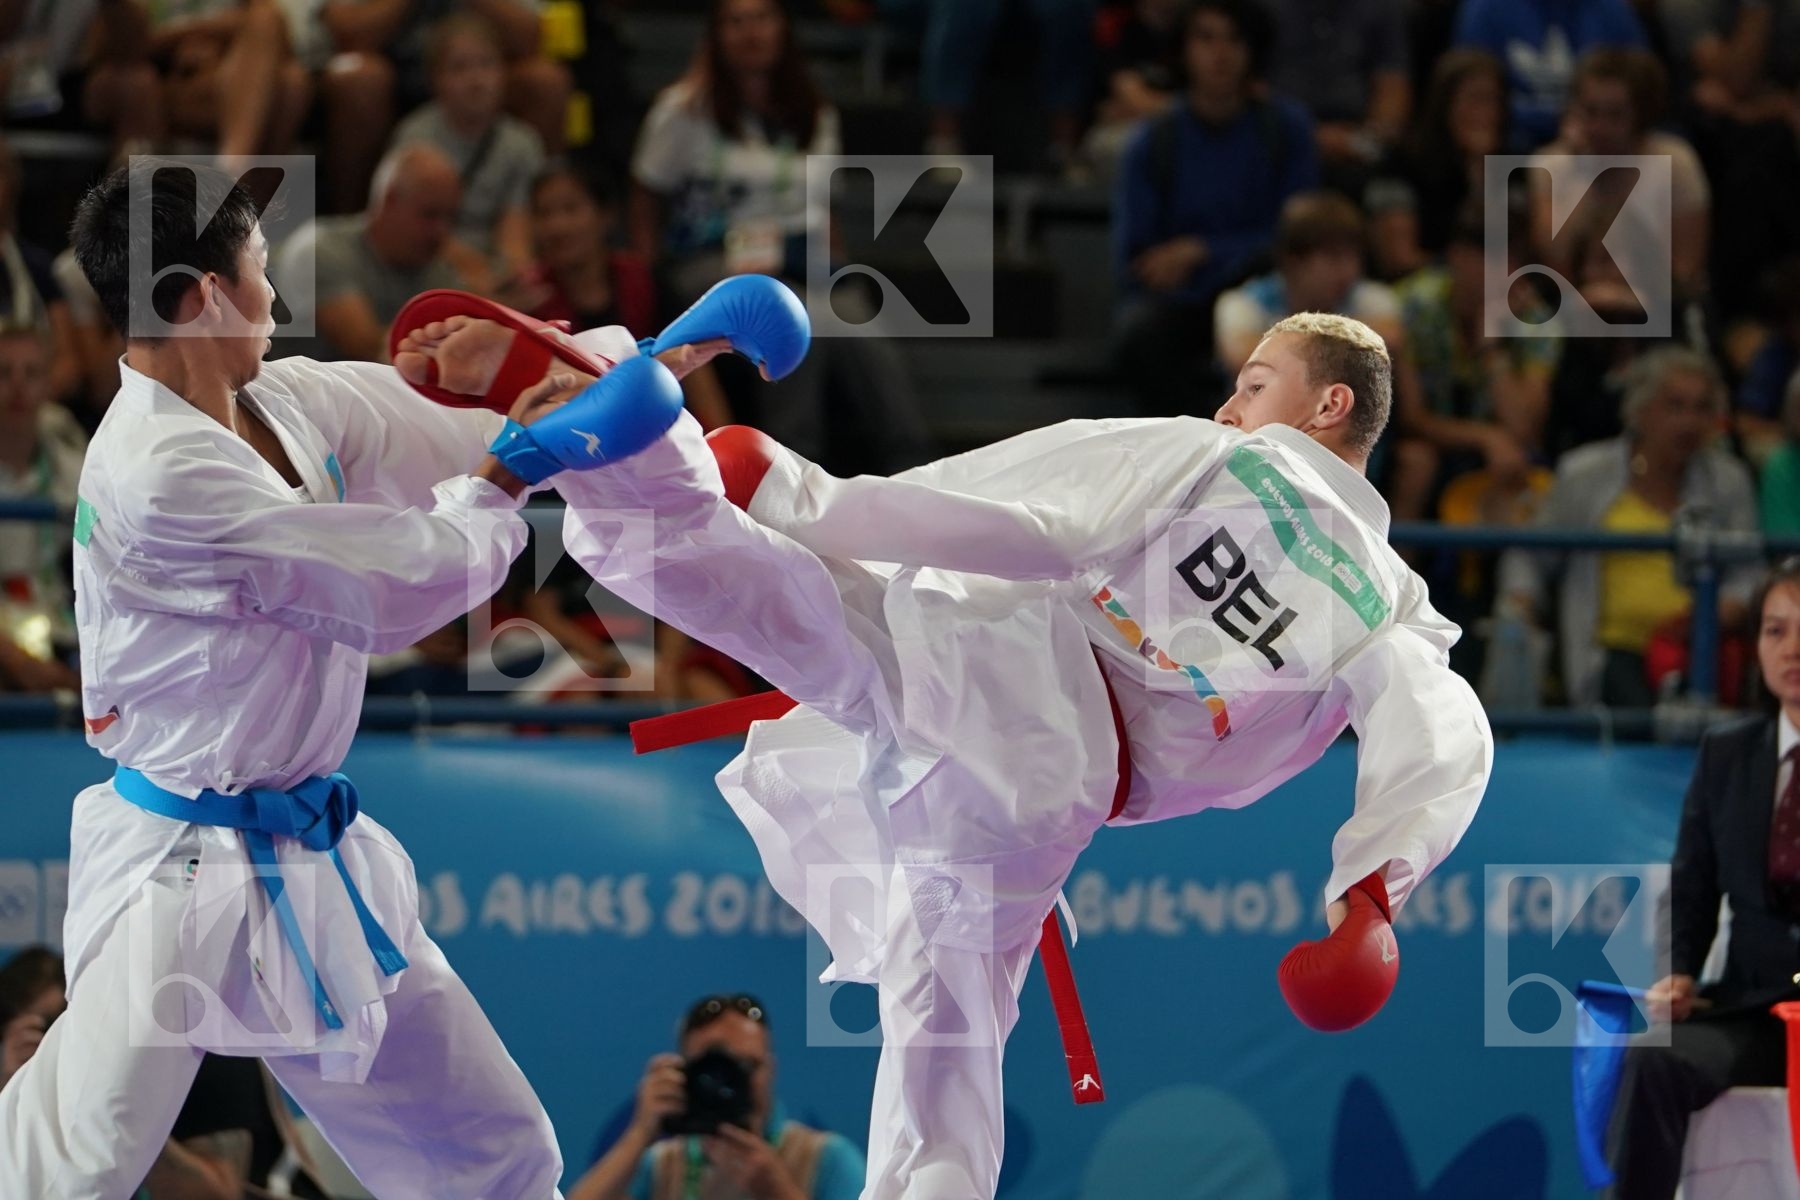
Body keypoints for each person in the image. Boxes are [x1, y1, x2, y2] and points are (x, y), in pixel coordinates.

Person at [408, 298, 1489, 1198]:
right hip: (1041, 786)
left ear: (1330, 404)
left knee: (777, 598)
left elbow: (1027, 515)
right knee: (945, 1048)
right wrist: (1372, 893)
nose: (1229, 401)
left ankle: (624, 419)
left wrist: (802, 492)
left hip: (993, 660)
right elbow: (1442, 733)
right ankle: (631, 435)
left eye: (1256, 383)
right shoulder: (1397, 610)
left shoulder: (1220, 456)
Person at [0, 156, 678, 1197]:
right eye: (261, 265)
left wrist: (528, 366)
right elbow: (390, 587)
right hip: (178, 862)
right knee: (70, 1169)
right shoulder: (155, 473)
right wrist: (502, 477)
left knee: (498, 1152)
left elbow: (457, 425)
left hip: (313, 856)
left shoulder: (286, 398)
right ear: (204, 297)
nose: (277, 289)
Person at [1604, 558, 1800, 1199]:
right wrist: (1680, 971)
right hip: (1752, 1007)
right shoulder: (1728, 753)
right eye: (1775, 631)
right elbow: (1694, 885)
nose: (1791, 648)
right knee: (1653, 1059)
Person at [1498, 348, 1760, 708]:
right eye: (1675, 405)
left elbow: (1749, 576)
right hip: (1611, 654)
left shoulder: (1729, 481)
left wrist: (1715, 613)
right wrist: (1520, 604)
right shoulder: (1584, 473)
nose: (1689, 421)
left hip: (1696, 649)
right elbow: (1528, 555)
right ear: (1640, 409)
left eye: (1702, 408)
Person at [1111, 0, 1319, 413]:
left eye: (1234, 40)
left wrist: (1202, 250)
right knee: (1138, 332)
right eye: (1206, 38)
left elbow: (1298, 237)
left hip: (1267, 296)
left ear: (1252, 50)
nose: (1220, 53)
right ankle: (1197, 440)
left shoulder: (1287, 130)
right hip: (1184, 304)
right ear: (1183, 50)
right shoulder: (1154, 140)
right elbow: (1136, 260)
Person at [569, 993, 866, 1200]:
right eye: (715, 1068)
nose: (732, 1080)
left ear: (771, 1068)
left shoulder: (827, 1159)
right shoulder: (663, 1165)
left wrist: (776, 1191)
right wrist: (640, 1133)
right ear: (686, 1072)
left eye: (747, 1065)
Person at [391, 11, 547, 292]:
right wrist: (477, 277)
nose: (476, 79)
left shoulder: (521, 143)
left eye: (486, 65)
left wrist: (511, 272)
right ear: (435, 79)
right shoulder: (416, 138)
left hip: (493, 271)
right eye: (459, 68)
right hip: (430, 264)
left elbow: (517, 230)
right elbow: (417, 229)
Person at [273, 143, 469, 363]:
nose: (442, 232)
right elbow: (366, 348)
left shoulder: (437, 268)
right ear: (389, 200)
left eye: (451, 218)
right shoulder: (321, 250)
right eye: (430, 215)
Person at [0, 320, 85, 694]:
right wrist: (14, 659)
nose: (17, 386)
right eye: (4, 372)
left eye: (31, 373)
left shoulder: (70, 463)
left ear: (48, 383)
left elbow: (98, 537)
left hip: (54, 623)